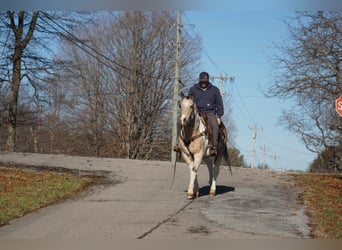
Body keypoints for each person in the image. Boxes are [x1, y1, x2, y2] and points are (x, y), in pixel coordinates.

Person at [188, 71, 224, 156]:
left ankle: (213, 147)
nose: (203, 83)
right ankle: (179, 144)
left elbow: (220, 104)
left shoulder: (214, 90)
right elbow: (189, 101)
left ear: (208, 81)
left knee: (215, 126)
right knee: (182, 122)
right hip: (196, 113)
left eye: (205, 81)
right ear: (199, 81)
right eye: (202, 81)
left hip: (210, 113)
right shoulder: (193, 89)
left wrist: (219, 116)